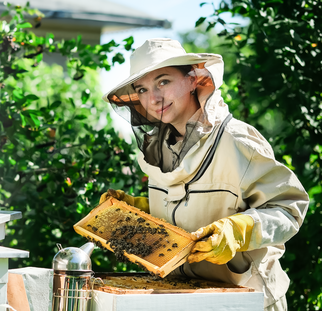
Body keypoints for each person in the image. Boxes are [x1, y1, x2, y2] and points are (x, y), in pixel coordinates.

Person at [99, 38, 309, 311]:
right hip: (187, 299)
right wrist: (141, 211)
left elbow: (290, 207)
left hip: (249, 297)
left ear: (193, 79)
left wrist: (238, 231)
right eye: (142, 89)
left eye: (163, 82)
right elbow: (189, 210)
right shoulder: (158, 150)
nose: (153, 98)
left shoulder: (237, 141)